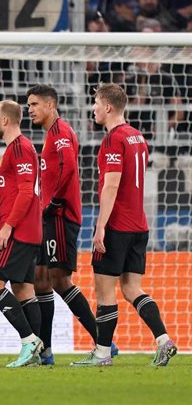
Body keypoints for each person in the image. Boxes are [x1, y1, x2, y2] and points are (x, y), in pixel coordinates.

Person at [72, 83, 178, 367]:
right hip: (139, 225)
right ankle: (163, 339)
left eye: (95, 103)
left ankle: (102, 353)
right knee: (132, 289)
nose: (92, 108)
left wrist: (101, 226)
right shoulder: (137, 137)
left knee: (104, 291)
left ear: (108, 107)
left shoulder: (113, 140)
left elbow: (112, 184)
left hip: (117, 226)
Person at [26, 84, 119, 365]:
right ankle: (46, 351)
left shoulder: (61, 133)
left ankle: (104, 341)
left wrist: (54, 202)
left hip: (61, 217)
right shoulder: (51, 135)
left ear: (50, 105)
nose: (30, 110)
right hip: (48, 217)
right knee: (40, 280)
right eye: (28, 105)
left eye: (34, 104)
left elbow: (67, 166)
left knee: (60, 280)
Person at [0, 100, 44, 368]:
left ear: (5, 121)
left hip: (18, 230)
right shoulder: (18, 149)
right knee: (24, 290)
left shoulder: (19, 148)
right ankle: (35, 351)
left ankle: (29, 341)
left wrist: (7, 227)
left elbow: (27, 191)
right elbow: (19, 186)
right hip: (29, 230)